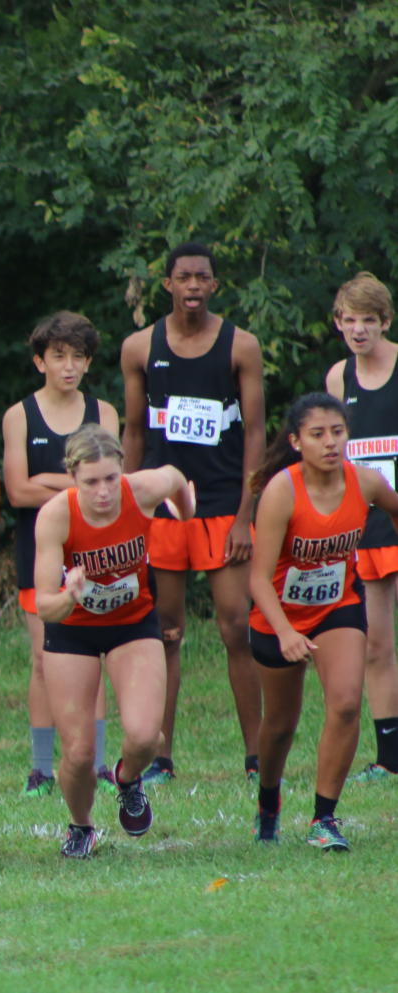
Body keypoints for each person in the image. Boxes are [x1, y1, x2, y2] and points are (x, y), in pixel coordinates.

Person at [121, 242, 265, 783]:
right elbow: (134, 431)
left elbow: (255, 432)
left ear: (214, 284)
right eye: (184, 277)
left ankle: (257, 758)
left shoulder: (240, 346)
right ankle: (161, 757)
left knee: (235, 626)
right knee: (165, 631)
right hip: (160, 506)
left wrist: (245, 514)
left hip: (223, 501)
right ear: (168, 284)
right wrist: (126, 506)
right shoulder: (139, 346)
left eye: (203, 277)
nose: (193, 287)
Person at [33, 425, 194, 858]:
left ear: (123, 470)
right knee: (80, 753)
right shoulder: (56, 516)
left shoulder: (142, 491)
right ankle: (81, 826)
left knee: (146, 737)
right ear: (73, 478)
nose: (104, 492)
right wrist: (69, 593)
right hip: (72, 630)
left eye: (110, 479)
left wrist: (186, 514)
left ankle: (127, 780)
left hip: (132, 622)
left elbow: (176, 478)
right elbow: (44, 607)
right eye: (91, 482)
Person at [246, 394, 398, 849]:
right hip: (278, 615)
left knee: (348, 702)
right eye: (317, 434)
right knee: (280, 725)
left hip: (336, 608)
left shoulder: (366, 482)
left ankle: (323, 819)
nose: (331, 443)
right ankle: (268, 802)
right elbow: (257, 579)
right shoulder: (281, 492)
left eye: (337, 432)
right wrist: (287, 632)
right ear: (296, 441)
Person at [1, 313, 120, 796]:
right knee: (42, 658)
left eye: (77, 357)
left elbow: (113, 485)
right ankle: (41, 768)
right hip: (39, 548)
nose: (68, 366)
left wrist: (51, 484)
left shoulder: (104, 411)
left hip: (98, 550)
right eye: (58, 356)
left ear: (88, 362)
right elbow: (18, 490)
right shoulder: (19, 415)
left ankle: (98, 763)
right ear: (39, 361)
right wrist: (76, 485)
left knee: (97, 655)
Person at [322, 272, 398, 783]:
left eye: (368, 321)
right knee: (375, 641)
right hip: (367, 526)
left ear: (385, 322)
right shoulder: (337, 378)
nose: (358, 331)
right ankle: (390, 757)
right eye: (349, 321)